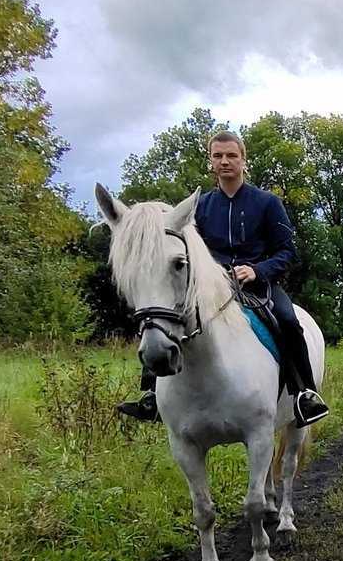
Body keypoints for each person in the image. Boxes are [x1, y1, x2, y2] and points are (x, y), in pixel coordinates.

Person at [117, 130, 329, 427]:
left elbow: (286, 252)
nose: (224, 161)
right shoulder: (200, 207)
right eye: (218, 156)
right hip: (210, 287)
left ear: (244, 160)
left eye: (231, 155)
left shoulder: (267, 203)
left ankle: (303, 393)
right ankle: (151, 395)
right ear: (211, 162)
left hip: (260, 286)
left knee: (289, 321)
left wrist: (257, 270)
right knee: (163, 316)